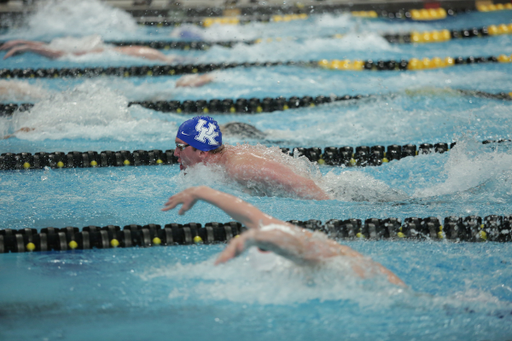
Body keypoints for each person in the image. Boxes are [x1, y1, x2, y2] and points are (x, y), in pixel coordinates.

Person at [162, 185, 406, 286]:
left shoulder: (314, 254)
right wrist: (201, 191)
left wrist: (250, 239)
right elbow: (250, 215)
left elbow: (290, 242)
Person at [174, 115, 330, 200]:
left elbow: (302, 185)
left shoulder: (239, 167)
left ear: (202, 152)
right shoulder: (220, 162)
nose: (175, 153)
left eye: (180, 147)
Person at [1, 35, 180, 62]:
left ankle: (25, 44)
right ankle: (26, 46)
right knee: (63, 53)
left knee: (61, 51)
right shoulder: (160, 58)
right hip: (106, 52)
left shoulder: (158, 54)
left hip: (107, 49)